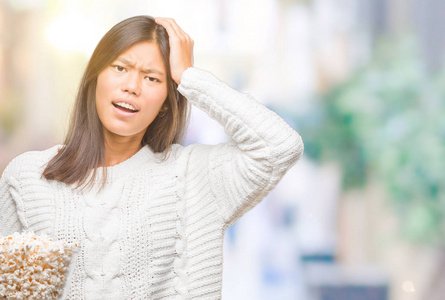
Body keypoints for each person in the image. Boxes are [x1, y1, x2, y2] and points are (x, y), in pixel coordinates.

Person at [0, 15, 303, 299]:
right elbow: (15, 293)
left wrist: (190, 78)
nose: (132, 87)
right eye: (120, 68)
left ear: (165, 103)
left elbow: (279, 145)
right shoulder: (29, 178)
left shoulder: (194, 177)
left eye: (152, 79)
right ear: (95, 77)